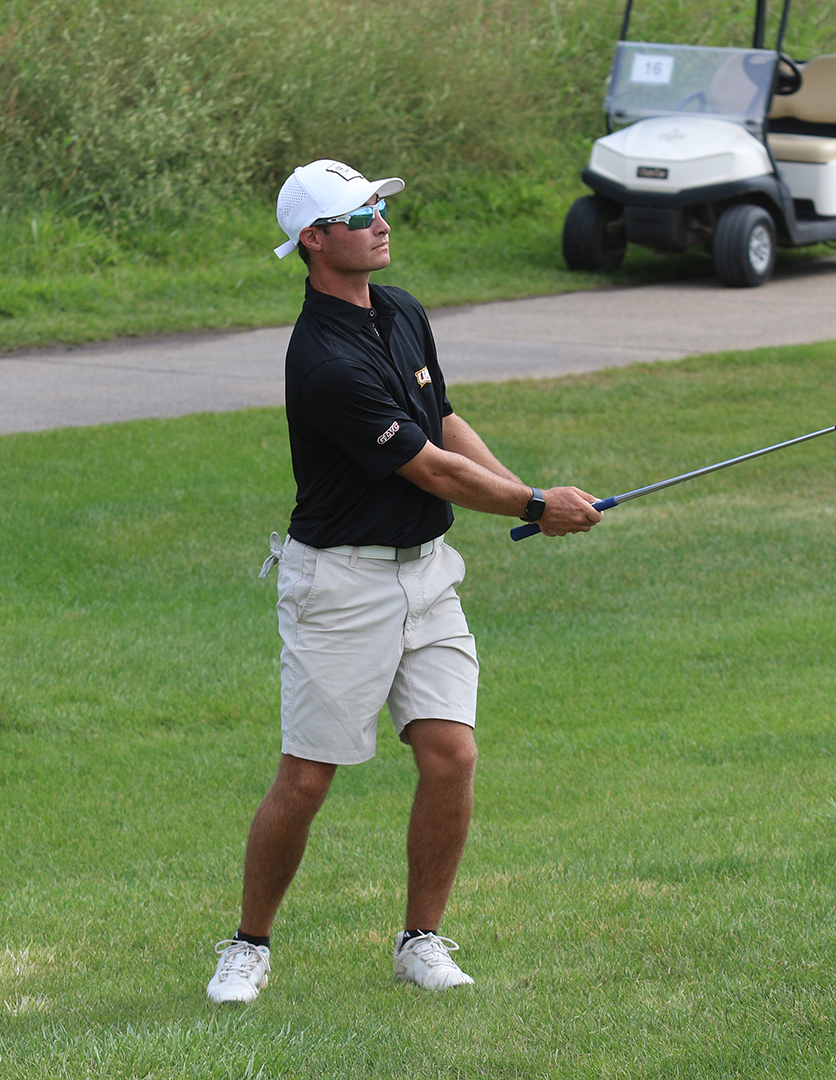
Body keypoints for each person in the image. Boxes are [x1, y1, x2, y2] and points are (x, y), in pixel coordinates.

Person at [206, 159, 604, 1004]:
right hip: (339, 584)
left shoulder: (400, 311)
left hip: (426, 576)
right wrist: (531, 501)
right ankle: (247, 944)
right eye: (359, 213)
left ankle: (419, 939)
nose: (380, 221)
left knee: (451, 753)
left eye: (379, 205)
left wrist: (521, 498)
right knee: (307, 778)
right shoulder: (322, 361)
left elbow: (444, 422)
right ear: (314, 241)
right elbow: (429, 470)